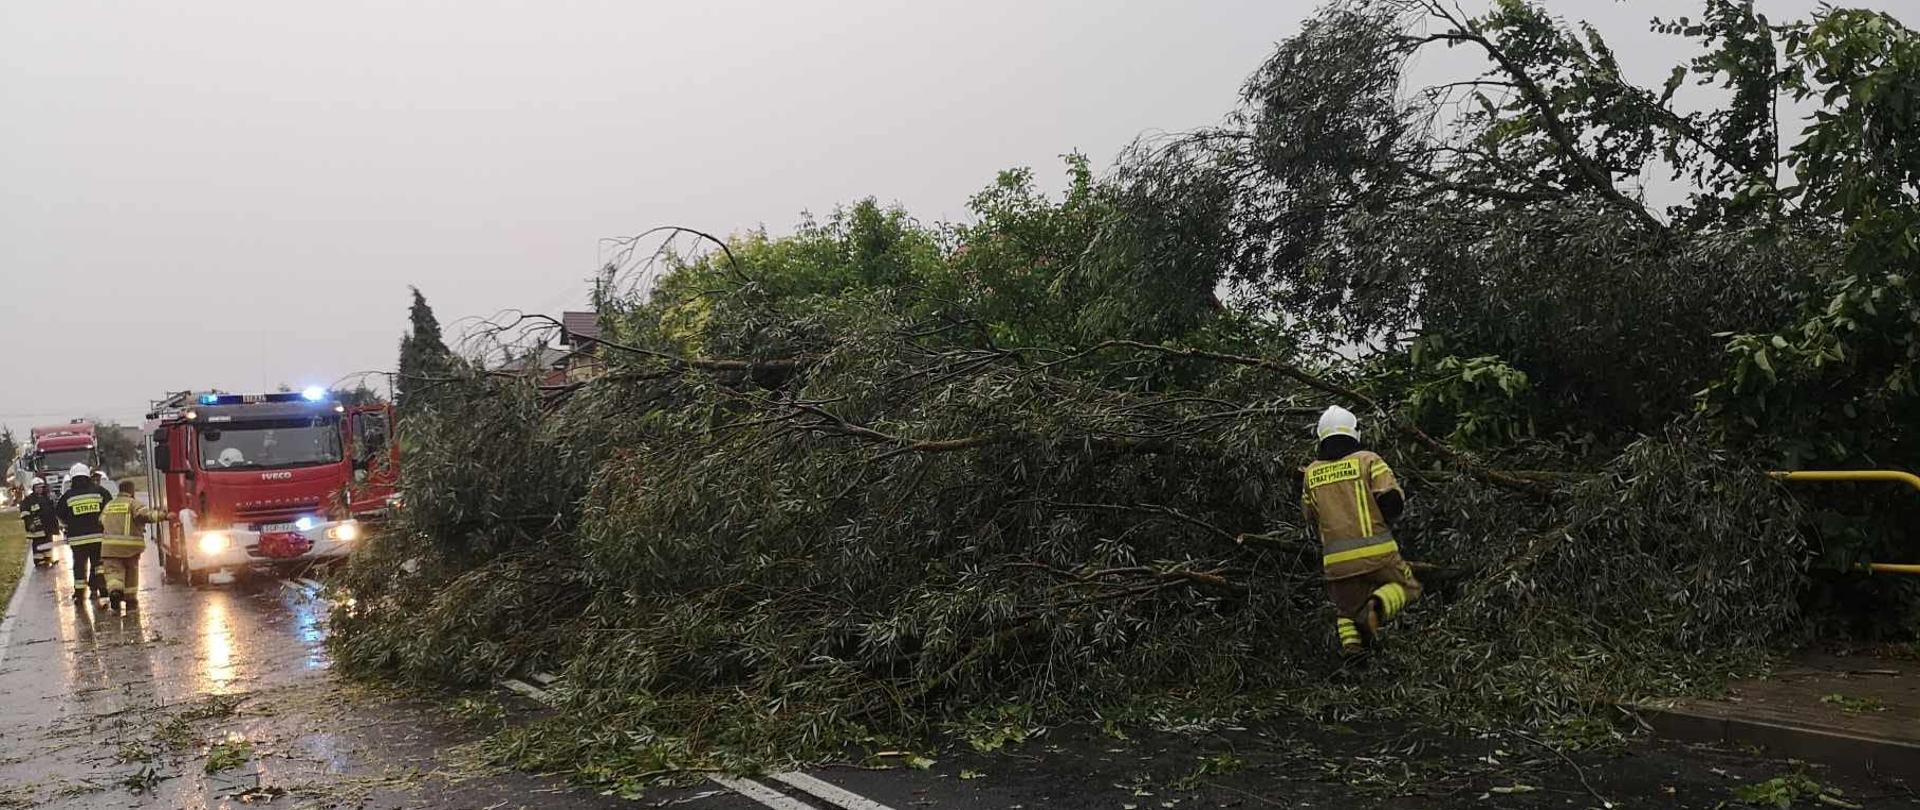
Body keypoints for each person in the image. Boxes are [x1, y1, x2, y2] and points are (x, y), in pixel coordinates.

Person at [1299, 406, 1420, 657]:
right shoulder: (1368, 460)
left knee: (1345, 610)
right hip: (1378, 552)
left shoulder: (1311, 473)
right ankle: (1376, 607)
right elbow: (1391, 501)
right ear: (1354, 432)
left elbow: (1309, 515)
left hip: (1335, 562)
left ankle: (1353, 653)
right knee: (1408, 587)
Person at [98, 481, 162, 613]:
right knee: (131, 574)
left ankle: (115, 593)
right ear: (132, 491)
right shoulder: (133, 503)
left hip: (109, 548)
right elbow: (145, 515)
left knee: (113, 574)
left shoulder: (109, 505)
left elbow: (101, 521)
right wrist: (164, 516)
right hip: (130, 549)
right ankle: (131, 600)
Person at [55, 463, 112, 606]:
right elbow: (110, 509)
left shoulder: (67, 496)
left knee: (79, 566)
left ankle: (80, 595)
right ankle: (102, 590)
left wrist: (69, 524)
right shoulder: (100, 492)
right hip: (98, 537)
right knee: (98, 565)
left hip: (77, 540)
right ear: (88, 476)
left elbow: (60, 515)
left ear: (73, 478)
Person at [19, 478, 58, 568]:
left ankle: (48, 558)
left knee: (48, 542)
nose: (40, 489)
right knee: (38, 543)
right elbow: (25, 513)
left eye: (41, 487)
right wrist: (30, 523)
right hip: (36, 527)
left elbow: (52, 512)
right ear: (33, 488)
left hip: (47, 527)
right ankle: (39, 560)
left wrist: (55, 525)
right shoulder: (29, 500)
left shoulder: (46, 498)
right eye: (37, 487)